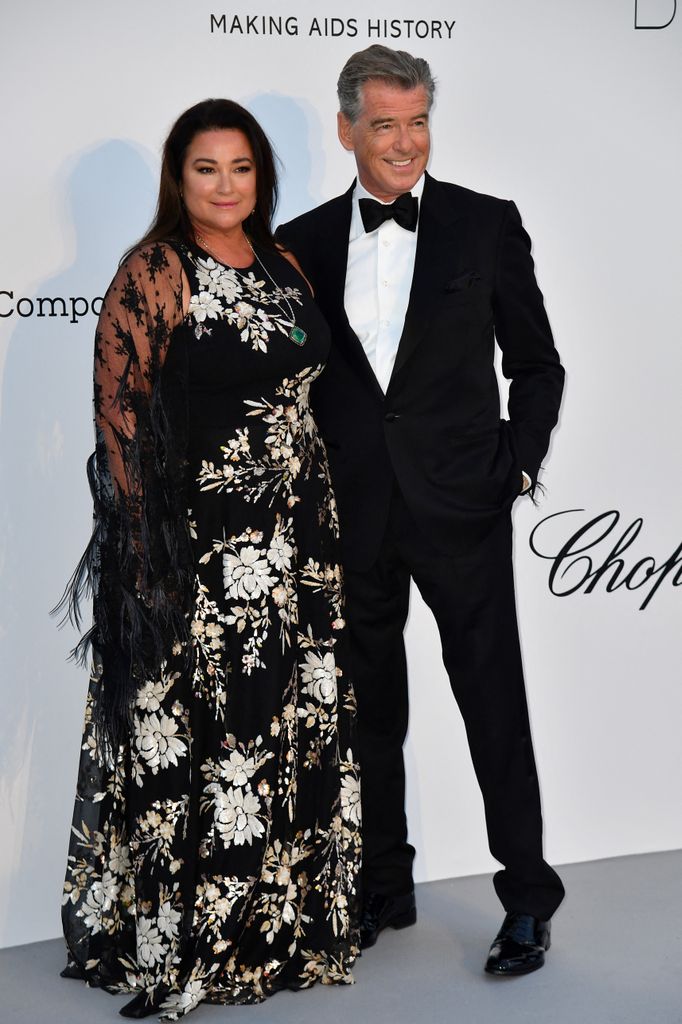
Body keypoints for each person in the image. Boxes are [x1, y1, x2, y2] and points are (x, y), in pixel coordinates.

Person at [58, 99, 361, 1020]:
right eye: (206, 168)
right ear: (178, 177)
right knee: (209, 741)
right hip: (204, 548)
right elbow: (119, 421)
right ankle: (192, 943)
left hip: (298, 541)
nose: (226, 185)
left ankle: (279, 931)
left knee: (284, 728)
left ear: (261, 175)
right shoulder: (154, 270)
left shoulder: (282, 262)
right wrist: (145, 559)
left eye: (241, 167)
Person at [277, 45, 565, 976]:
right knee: (368, 713)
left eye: (418, 122)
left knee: (493, 707)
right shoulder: (301, 242)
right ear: (346, 130)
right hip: (353, 513)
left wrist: (514, 467)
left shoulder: (486, 224)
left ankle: (528, 900)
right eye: (385, 125)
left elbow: (537, 364)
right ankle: (382, 887)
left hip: (460, 509)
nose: (405, 143)